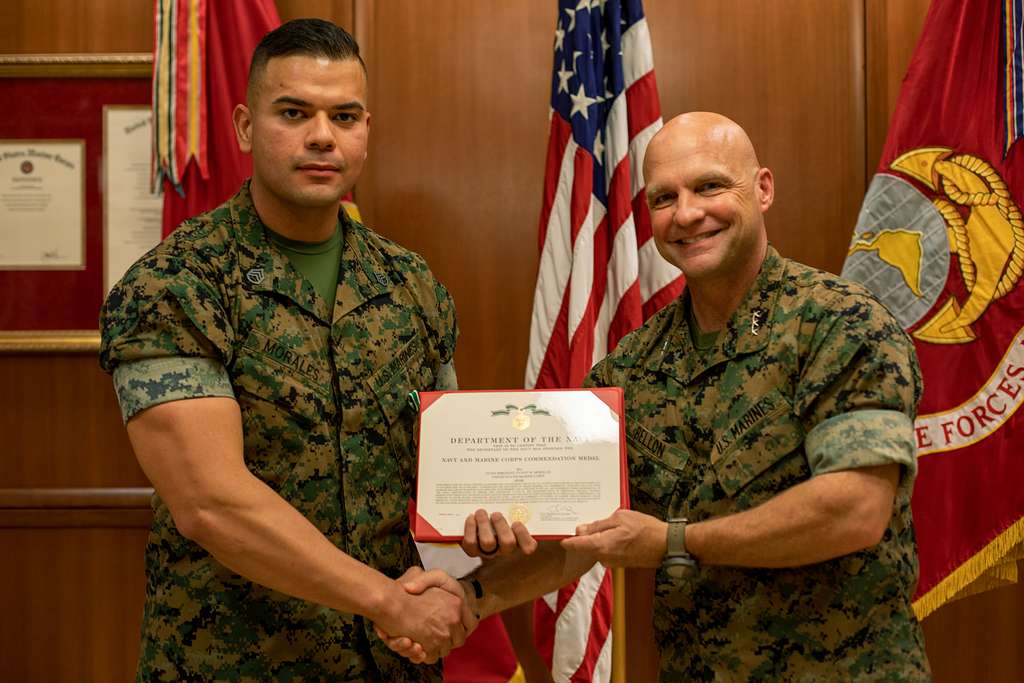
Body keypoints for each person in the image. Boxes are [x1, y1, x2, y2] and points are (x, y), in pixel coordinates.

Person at [385, 112, 932, 681]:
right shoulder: (634, 366)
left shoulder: (839, 324)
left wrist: (674, 541)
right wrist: (473, 594)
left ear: (763, 188)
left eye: (711, 186)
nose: (687, 213)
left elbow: (854, 510)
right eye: (664, 198)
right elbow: (582, 537)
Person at [100, 19, 473, 681]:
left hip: (394, 663)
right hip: (235, 662)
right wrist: (388, 600)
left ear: (366, 129)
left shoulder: (413, 285)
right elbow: (210, 501)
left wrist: (462, 583)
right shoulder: (175, 285)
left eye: (345, 115)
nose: (323, 135)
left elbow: (448, 478)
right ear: (245, 127)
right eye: (294, 112)